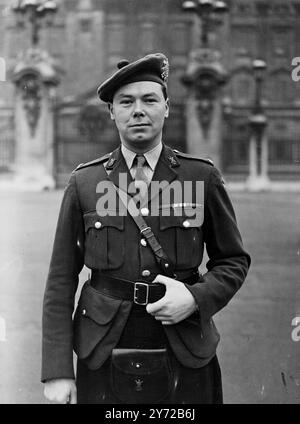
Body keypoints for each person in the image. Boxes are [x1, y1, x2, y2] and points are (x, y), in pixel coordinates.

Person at [42, 52, 250, 404]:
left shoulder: (201, 177)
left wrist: (195, 298)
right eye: (126, 101)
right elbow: (61, 279)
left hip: (184, 346)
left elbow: (233, 260)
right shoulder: (85, 182)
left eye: (149, 99)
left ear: (167, 107)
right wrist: (58, 371)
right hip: (102, 349)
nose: (138, 110)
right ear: (112, 112)